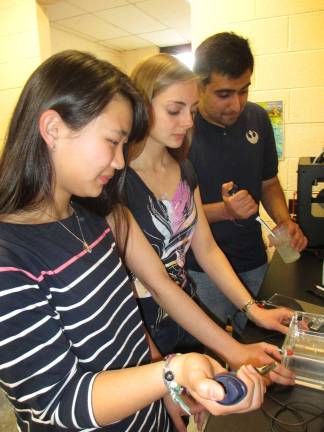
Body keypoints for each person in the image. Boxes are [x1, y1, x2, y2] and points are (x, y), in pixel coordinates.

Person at [0, 50, 267, 432]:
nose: (120, 162)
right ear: (53, 128)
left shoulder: (90, 216)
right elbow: (60, 401)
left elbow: (127, 321)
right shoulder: (9, 257)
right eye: (112, 141)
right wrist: (171, 373)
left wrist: (164, 389)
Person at [120, 53, 295, 382]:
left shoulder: (184, 167)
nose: (188, 122)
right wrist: (233, 349)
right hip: (138, 330)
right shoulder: (117, 179)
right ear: (141, 105)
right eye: (175, 110)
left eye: (192, 110)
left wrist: (251, 309)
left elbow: (207, 248)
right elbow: (155, 283)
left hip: (184, 315)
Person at [187, 32, 308, 331]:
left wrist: (283, 221)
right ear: (200, 86)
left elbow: (268, 183)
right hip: (200, 270)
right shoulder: (181, 130)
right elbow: (171, 214)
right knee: (209, 357)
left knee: (259, 345)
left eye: (244, 91)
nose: (237, 104)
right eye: (224, 94)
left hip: (253, 262)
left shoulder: (258, 119)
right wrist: (223, 211)